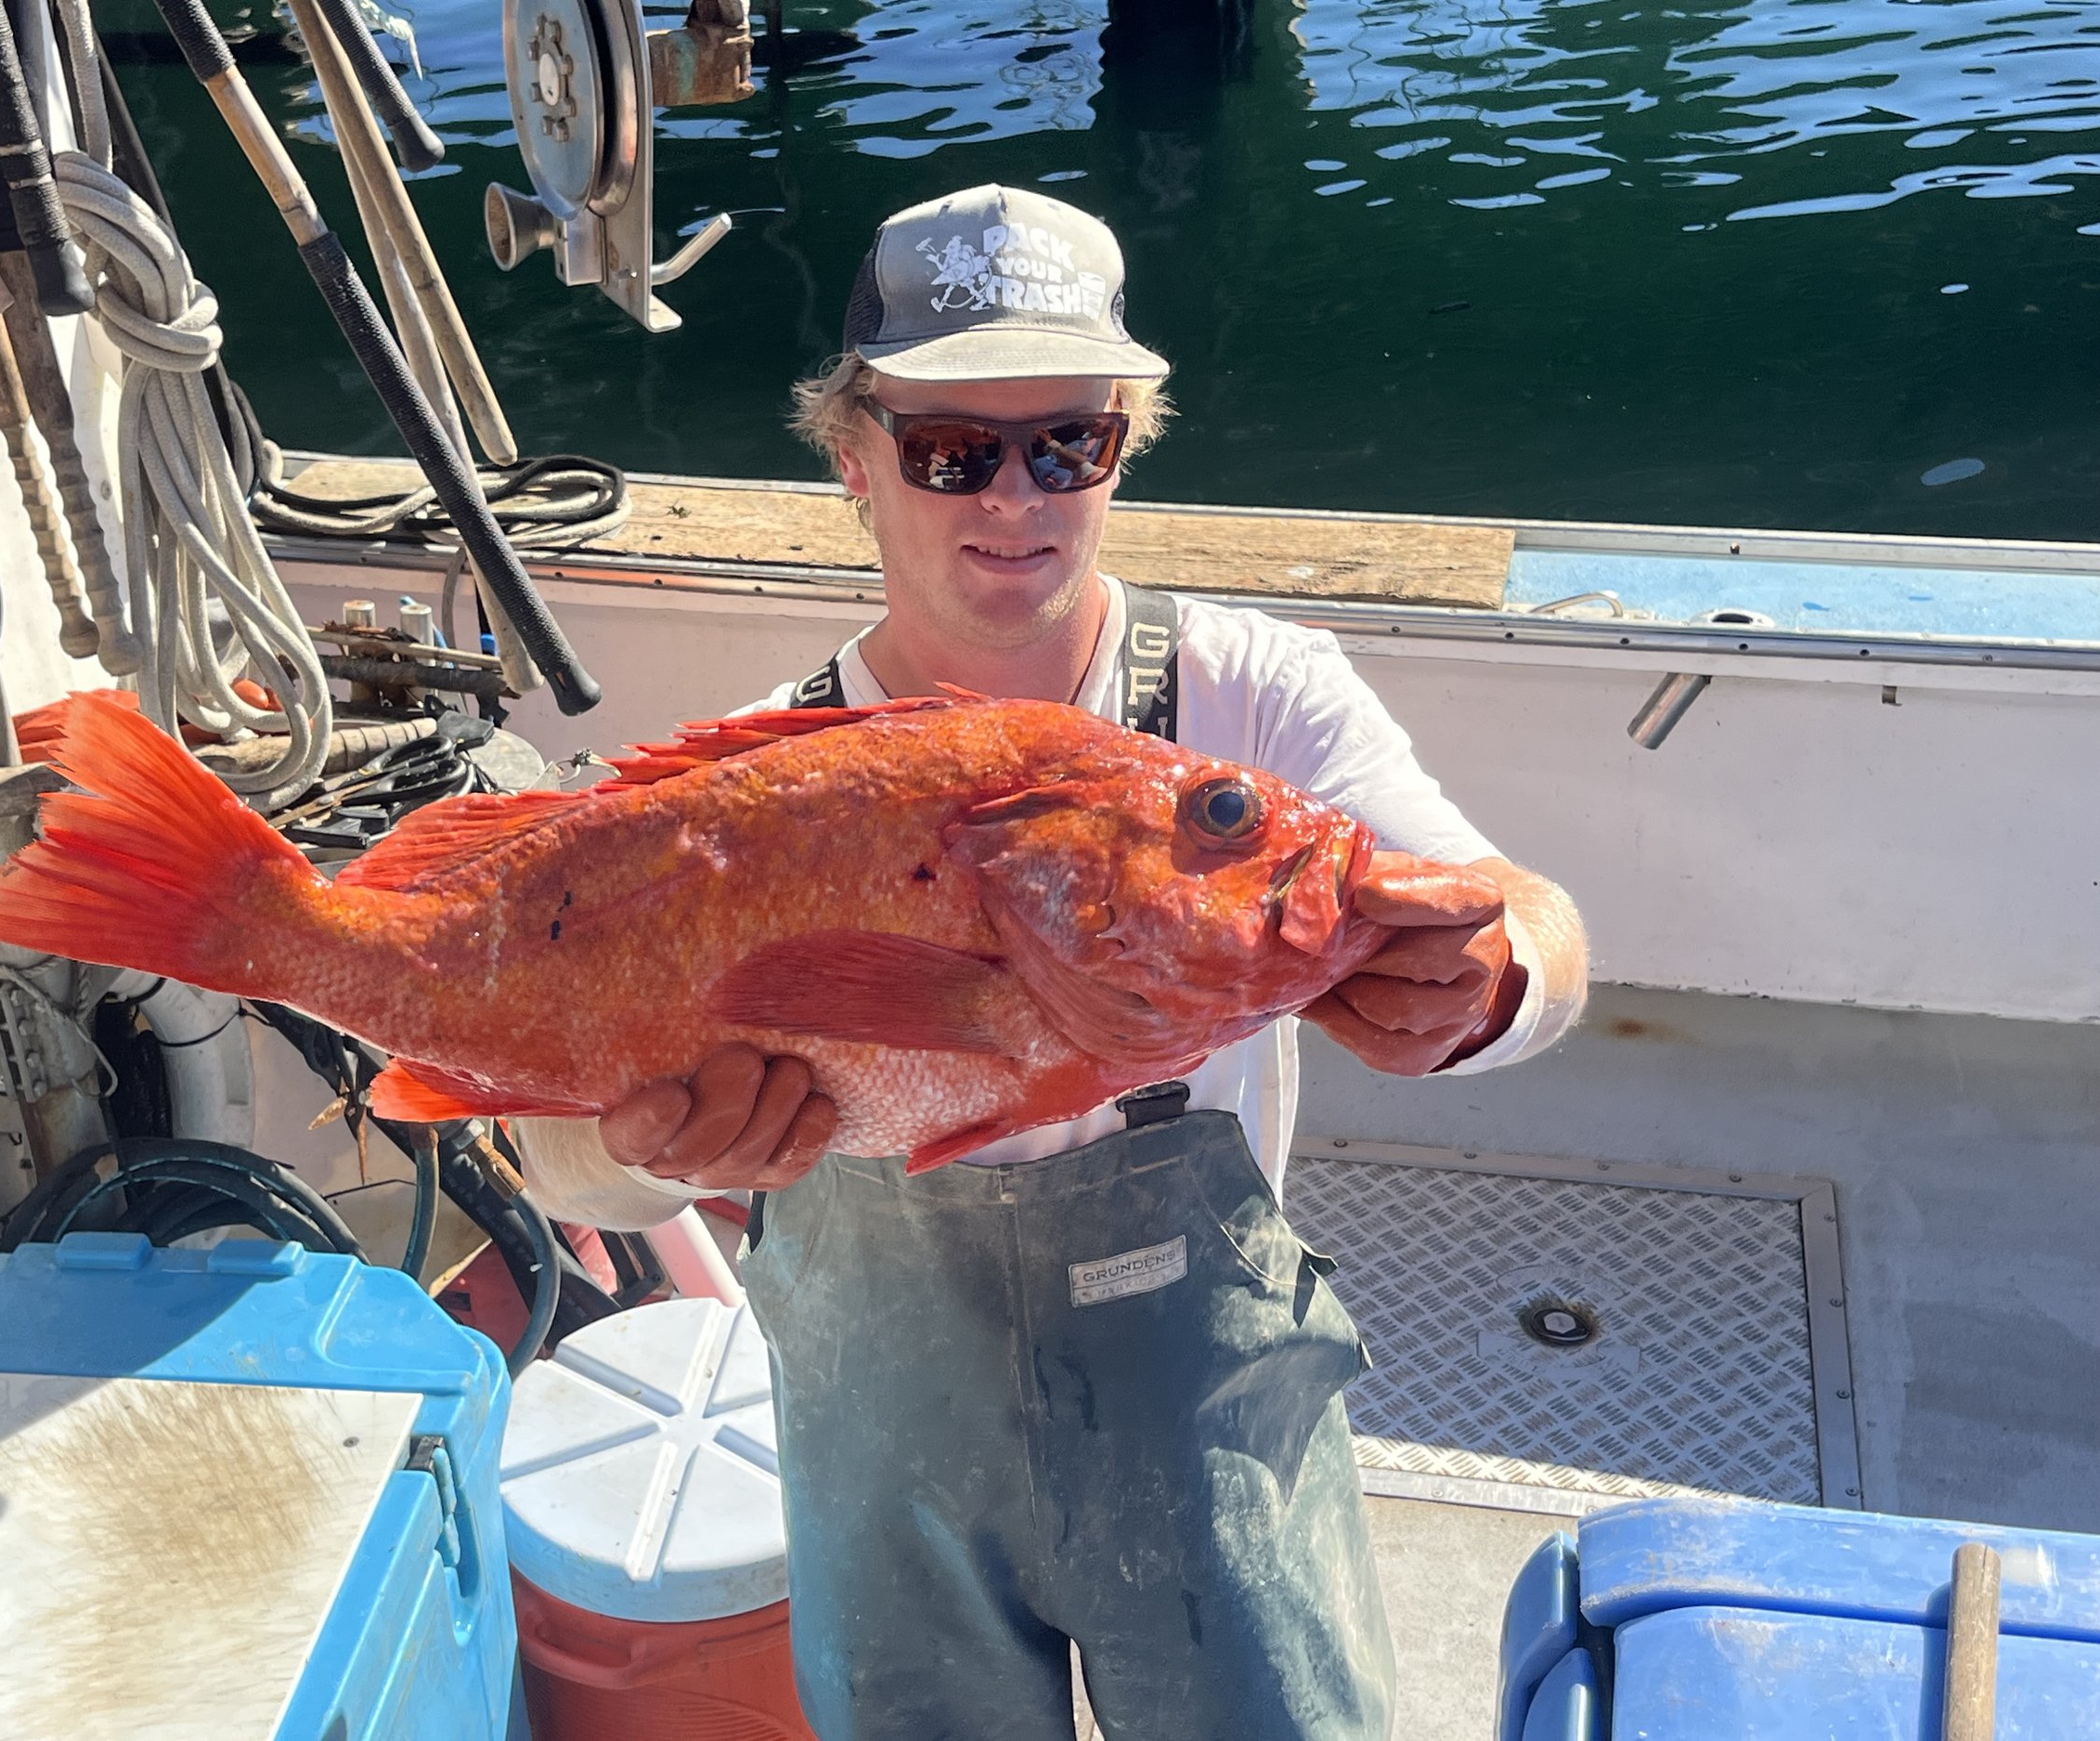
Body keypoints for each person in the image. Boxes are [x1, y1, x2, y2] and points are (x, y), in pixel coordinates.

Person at [514, 185, 1588, 1741]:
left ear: (1121, 445)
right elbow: (558, 1164)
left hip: (1206, 1426)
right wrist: (635, 1153)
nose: (1010, 496)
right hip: (885, 1452)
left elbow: (1524, 912)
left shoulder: (1252, 703)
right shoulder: (749, 791)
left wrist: (1493, 987)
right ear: (854, 455)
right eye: (951, 449)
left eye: (1063, 443)